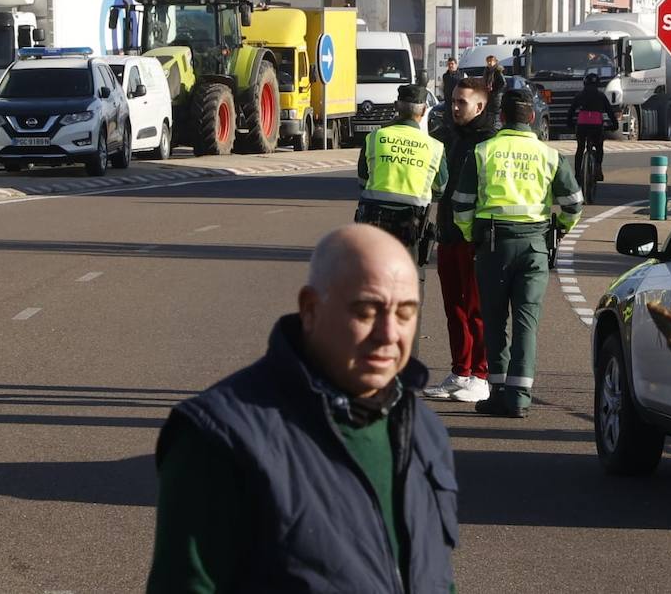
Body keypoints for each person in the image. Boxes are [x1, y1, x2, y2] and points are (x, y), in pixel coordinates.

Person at [146, 225, 459, 592]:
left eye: (406, 314)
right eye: (367, 311)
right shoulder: (219, 439)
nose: (389, 333)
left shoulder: (423, 430)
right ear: (310, 308)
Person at [453, 89, 582, 417]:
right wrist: (561, 228)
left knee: (495, 321)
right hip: (535, 245)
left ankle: (498, 392)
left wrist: (472, 238)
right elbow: (573, 203)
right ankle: (520, 398)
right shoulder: (549, 155)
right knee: (527, 321)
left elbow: (462, 205)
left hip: (493, 245)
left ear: (501, 118)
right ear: (533, 118)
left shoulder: (483, 151)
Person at [425, 78, 497, 404]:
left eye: (461, 103)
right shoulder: (450, 137)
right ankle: (460, 372)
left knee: (476, 308)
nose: (454, 107)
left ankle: (480, 376)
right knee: (453, 306)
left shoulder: (488, 142)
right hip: (449, 234)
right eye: (452, 101)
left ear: (479, 106)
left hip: (476, 238)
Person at [356, 84, 447, 286]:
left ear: (397, 106)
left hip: (374, 223)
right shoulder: (434, 147)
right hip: (412, 228)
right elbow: (440, 190)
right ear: (424, 111)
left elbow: (363, 181)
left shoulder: (375, 138)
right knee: (409, 284)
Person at [568, 72, 618, 185]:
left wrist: (570, 124)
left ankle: (577, 174)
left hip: (582, 126)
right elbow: (610, 112)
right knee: (599, 146)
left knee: (580, 148)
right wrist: (614, 125)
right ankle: (598, 168)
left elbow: (571, 112)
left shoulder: (579, 95)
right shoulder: (601, 96)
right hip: (596, 126)